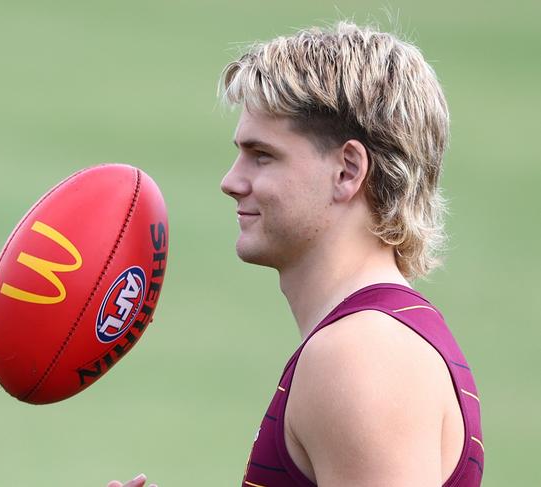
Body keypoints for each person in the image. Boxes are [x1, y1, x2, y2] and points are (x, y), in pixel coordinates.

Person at [108, 21, 483, 487]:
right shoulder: (381, 338)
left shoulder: (360, 356)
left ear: (347, 171)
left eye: (262, 155)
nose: (231, 181)